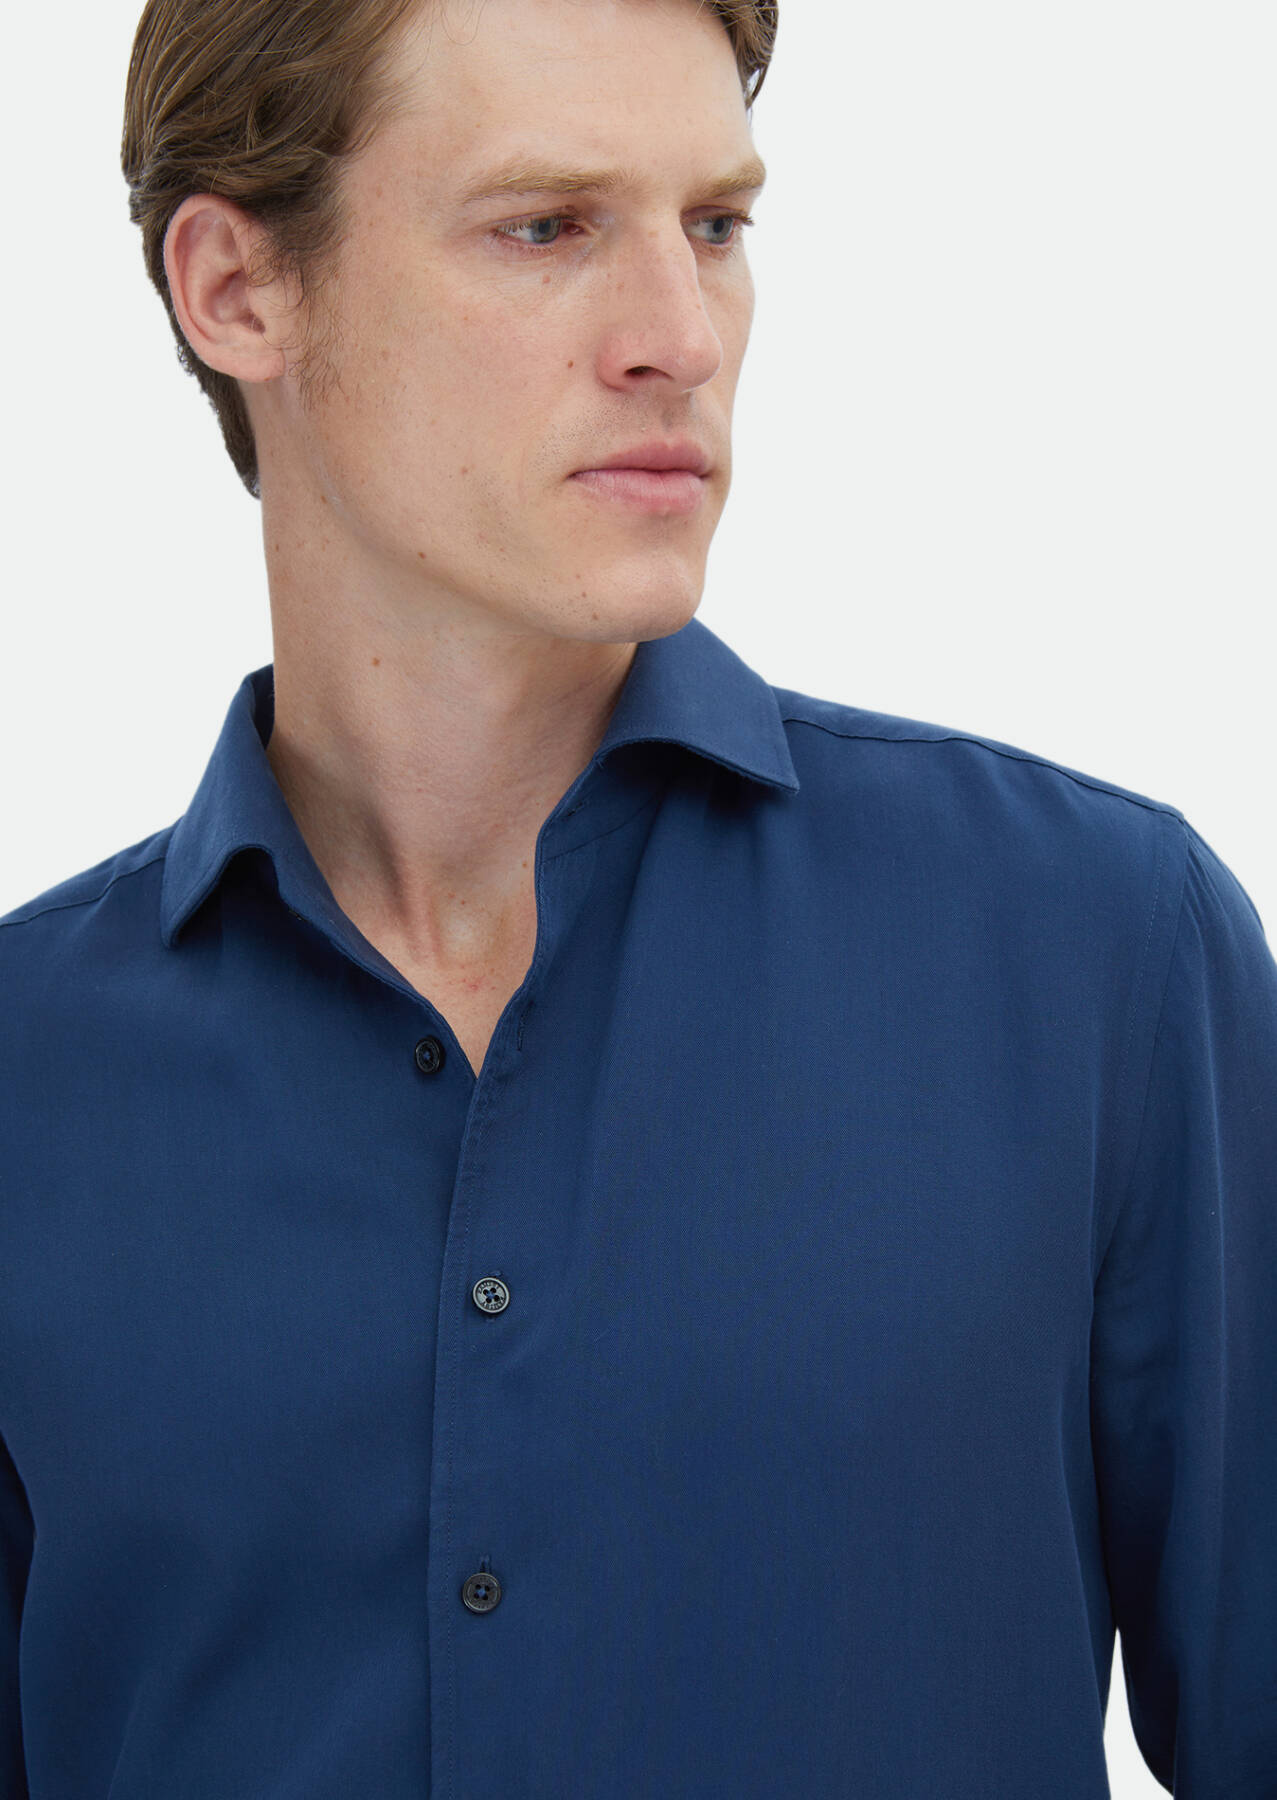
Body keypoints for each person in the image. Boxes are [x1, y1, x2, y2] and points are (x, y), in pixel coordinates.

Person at [0, 0, 1273, 1793]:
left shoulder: (1095, 958)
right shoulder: (24, 1079)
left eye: (716, 224)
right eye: (545, 227)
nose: (679, 337)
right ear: (235, 289)